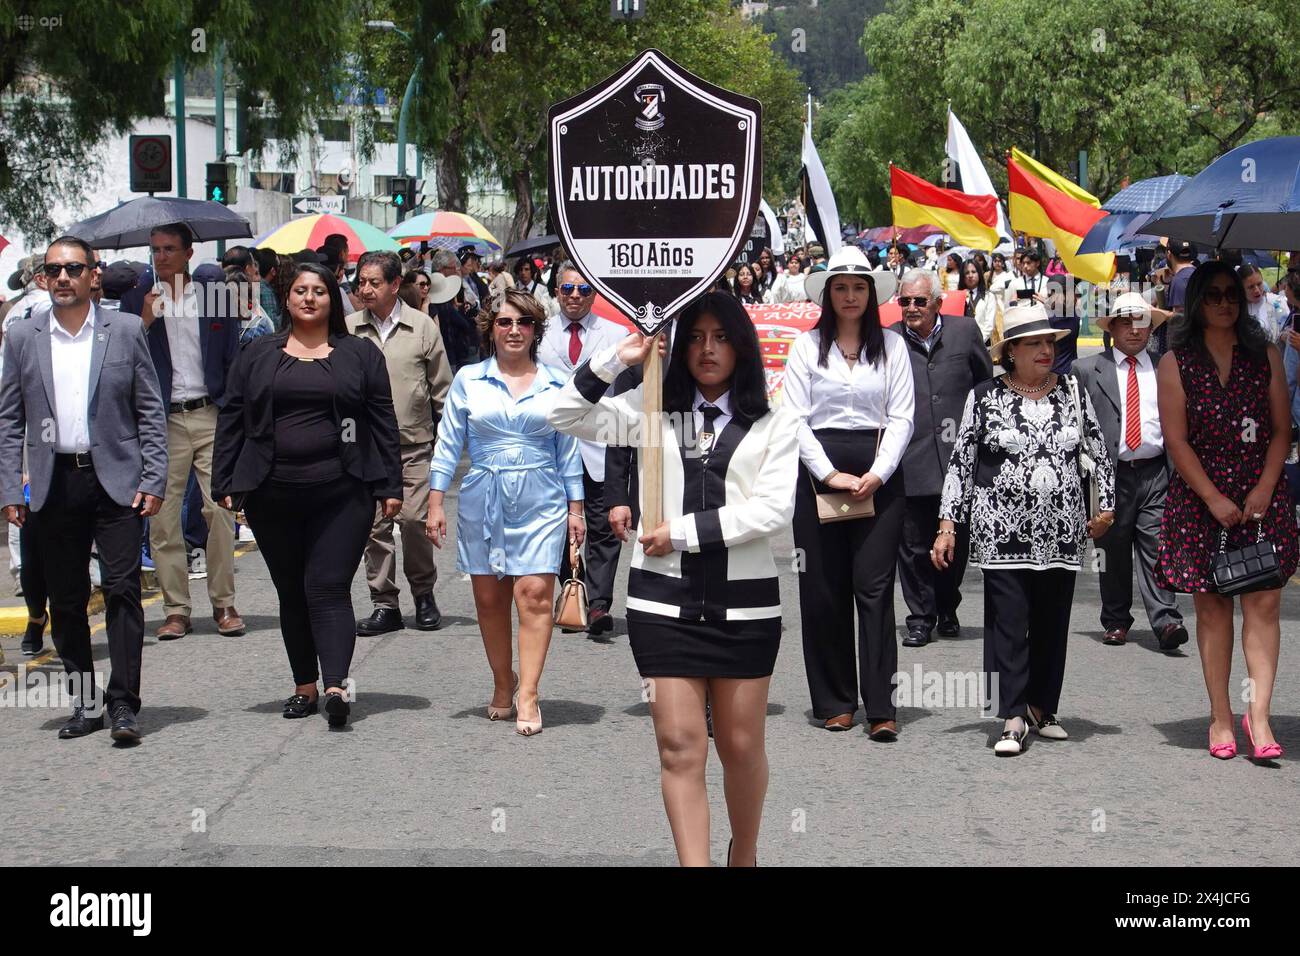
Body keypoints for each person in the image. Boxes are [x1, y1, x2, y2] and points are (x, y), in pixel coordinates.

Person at [548, 292, 799, 867]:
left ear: (742, 345)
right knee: (680, 748)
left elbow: (771, 511)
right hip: (662, 606)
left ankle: (746, 852)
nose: (707, 349)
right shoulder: (650, 406)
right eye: (694, 337)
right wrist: (618, 360)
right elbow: (562, 416)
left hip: (746, 609)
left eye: (721, 337)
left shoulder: (774, 418)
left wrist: (681, 532)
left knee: (740, 747)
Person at [212, 263, 402, 729]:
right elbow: (232, 417)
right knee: (292, 592)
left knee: (328, 586)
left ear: (331, 300)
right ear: (289, 297)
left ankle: (336, 685)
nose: (310, 298)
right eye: (300, 290)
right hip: (271, 494)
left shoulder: (359, 354)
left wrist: (390, 485)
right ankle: (304, 686)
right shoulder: (258, 353)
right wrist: (225, 481)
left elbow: (382, 420)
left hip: (343, 491)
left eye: (319, 290)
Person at [0, 235, 167, 743]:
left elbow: (150, 409)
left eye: (74, 269)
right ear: (43, 279)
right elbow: (9, 421)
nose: (64, 278)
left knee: (121, 590)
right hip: (54, 484)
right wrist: (10, 487)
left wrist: (153, 475)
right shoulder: (23, 337)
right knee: (66, 599)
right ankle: (85, 702)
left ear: (94, 275)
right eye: (55, 270)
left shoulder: (123, 331)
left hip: (115, 479)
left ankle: (123, 705)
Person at [935, 304, 1116, 756]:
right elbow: (962, 463)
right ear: (1010, 351)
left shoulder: (1073, 391)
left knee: (1053, 621)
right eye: (1033, 343)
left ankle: (1041, 706)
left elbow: (1098, 450)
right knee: (1010, 623)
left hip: (1061, 528)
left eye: (1049, 342)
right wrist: (948, 525)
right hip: (1001, 530)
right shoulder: (985, 396)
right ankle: (1012, 715)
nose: (1044, 350)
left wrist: (1107, 507)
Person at [1154, 262, 1296, 760]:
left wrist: (1264, 488)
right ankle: (1220, 716)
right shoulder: (1175, 362)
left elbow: (1282, 430)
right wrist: (1213, 497)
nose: (1224, 303)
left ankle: (1258, 716)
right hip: (1200, 498)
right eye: (1213, 295)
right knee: (1213, 611)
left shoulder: (1267, 355)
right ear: (1197, 302)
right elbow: (1176, 440)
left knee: (1263, 605)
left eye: (1231, 294)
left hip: (1263, 493)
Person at [428, 288, 584, 737]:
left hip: (542, 495)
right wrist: (436, 501)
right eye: (504, 322)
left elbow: (568, 448)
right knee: (489, 597)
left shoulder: (557, 382)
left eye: (524, 323)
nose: (514, 330)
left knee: (533, 594)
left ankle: (530, 693)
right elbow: (448, 444)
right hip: (483, 495)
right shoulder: (468, 380)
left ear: (536, 330)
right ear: (490, 330)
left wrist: (576, 509)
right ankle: (503, 682)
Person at [781, 247, 915, 738]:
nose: (851, 295)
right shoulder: (805, 346)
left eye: (859, 287)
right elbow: (793, 418)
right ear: (828, 294)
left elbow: (903, 418)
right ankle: (836, 701)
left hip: (880, 474)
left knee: (875, 590)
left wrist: (877, 473)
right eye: (841, 287)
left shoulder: (894, 348)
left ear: (873, 294)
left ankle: (881, 707)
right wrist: (827, 473)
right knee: (822, 588)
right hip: (819, 472)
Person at [131, 223, 244, 641]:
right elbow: (122, 358)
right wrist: (144, 321)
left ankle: (223, 603)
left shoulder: (214, 298)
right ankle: (176, 609)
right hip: (163, 421)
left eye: (169, 249)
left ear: (188, 254)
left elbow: (232, 356)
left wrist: (236, 415)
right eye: (155, 250)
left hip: (210, 413)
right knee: (162, 517)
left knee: (219, 510)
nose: (161, 257)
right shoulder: (141, 300)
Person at [1072, 293, 1188, 651]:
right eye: (1126, 321)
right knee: (1113, 548)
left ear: (1150, 328)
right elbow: (1075, 424)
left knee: (1157, 544)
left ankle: (1167, 620)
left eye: (1141, 321)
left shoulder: (1167, 364)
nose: (1134, 329)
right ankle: (1116, 619)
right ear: (1113, 329)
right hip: (1112, 474)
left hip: (1156, 471)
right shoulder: (1088, 369)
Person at [347, 251, 452, 635]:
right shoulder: (348, 329)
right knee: (373, 528)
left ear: (394, 284)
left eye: (375, 282)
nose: (366, 289)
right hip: (367, 450)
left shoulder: (422, 328)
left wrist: (451, 441)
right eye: (361, 282)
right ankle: (384, 603)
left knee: (413, 521)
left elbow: (442, 389)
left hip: (415, 446)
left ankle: (423, 594)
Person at [890, 269, 993, 647]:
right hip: (909, 460)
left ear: (937, 301)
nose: (912, 308)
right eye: (905, 301)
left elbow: (985, 386)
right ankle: (920, 617)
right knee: (913, 545)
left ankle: (947, 605)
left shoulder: (965, 333)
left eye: (919, 301)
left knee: (955, 543)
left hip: (958, 459)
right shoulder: (890, 341)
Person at [536, 263, 626, 636]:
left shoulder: (617, 334)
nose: (575, 296)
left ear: (595, 293)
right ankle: (575, 590)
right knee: (558, 525)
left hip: (600, 439)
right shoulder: (537, 334)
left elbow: (626, 392)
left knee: (603, 525)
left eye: (584, 290)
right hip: (553, 443)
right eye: (568, 289)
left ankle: (600, 605)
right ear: (557, 291)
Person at [1239, 263, 1289, 343]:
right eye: (1251, 287)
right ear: (1241, 288)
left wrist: (1283, 335)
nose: (1257, 290)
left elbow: (1287, 326)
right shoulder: (1237, 308)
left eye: (1259, 284)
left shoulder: (1277, 302)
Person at [959, 257, 999, 344]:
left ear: (979, 274)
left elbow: (989, 325)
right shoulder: (958, 296)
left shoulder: (989, 296)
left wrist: (978, 342)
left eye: (973, 272)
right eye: (967, 273)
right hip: (962, 343)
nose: (970, 275)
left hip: (982, 344)